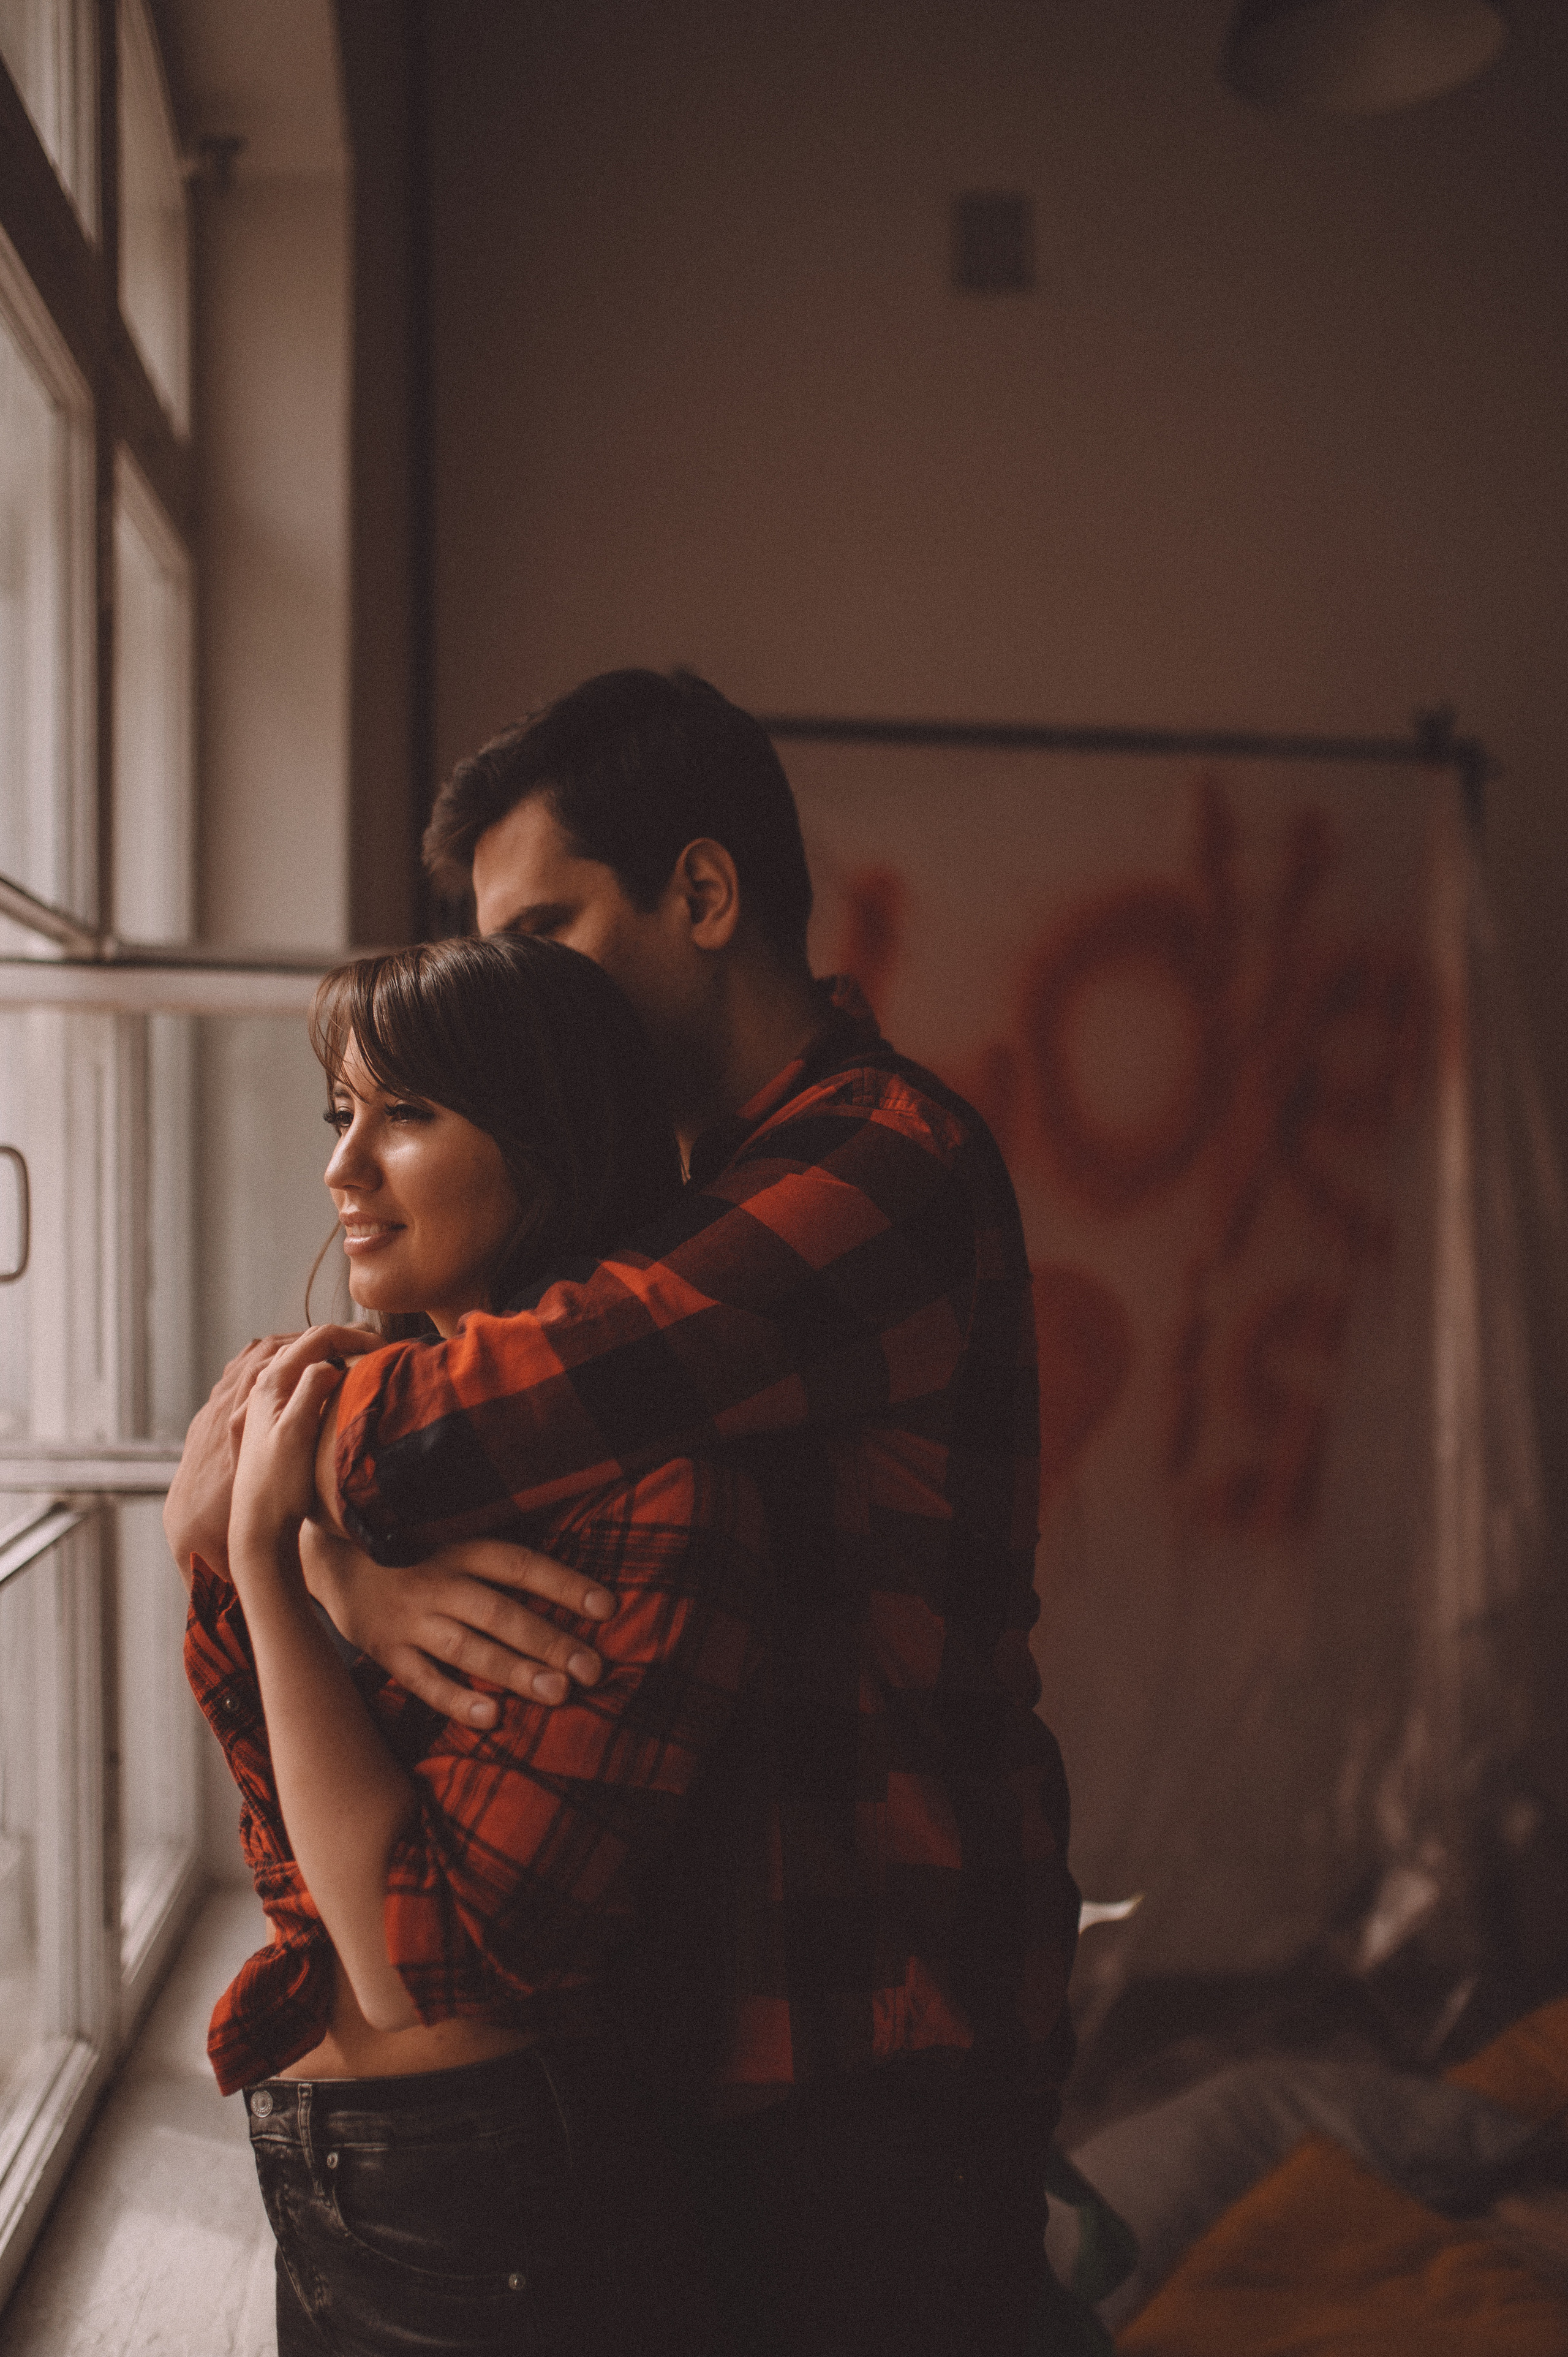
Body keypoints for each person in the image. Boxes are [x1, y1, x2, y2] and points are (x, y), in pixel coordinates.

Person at [168, 668, 1080, 2356]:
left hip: (874, 2028)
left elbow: (471, 1416)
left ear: (705, 895)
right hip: (697, 2022)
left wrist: (280, 1518)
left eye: (547, 924)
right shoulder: (675, 1195)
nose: (514, 977)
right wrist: (318, 1564)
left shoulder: (873, 1159)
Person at [184, 933, 763, 2356]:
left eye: (408, 1115)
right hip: (326, 2162)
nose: (343, 1170)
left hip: (497, 2189)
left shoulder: (657, 1484)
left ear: (550, 1148)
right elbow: (247, 1708)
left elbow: (410, 1958)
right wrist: (327, 1570)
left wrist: (267, 1562)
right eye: (342, 1113)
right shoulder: (322, 1407)